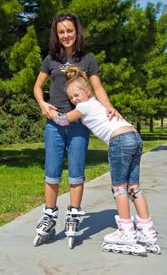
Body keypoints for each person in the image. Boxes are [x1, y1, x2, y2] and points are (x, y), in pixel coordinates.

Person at [50, 66, 159, 253]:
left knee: (119, 187)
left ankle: (126, 230)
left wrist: (50, 111)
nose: (74, 100)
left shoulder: (84, 106)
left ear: (87, 91)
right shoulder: (98, 104)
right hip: (134, 136)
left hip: (119, 140)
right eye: (71, 98)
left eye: (77, 95)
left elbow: (64, 120)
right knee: (134, 187)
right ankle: (146, 229)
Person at [33, 13, 120, 245]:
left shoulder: (88, 59)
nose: (66, 35)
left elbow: (98, 88)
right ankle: (50, 216)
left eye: (69, 30)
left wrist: (110, 107)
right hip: (54, 124)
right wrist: (43, 104)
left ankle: (73, 214)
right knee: (51, 172)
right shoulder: (51, 59)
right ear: (57, 34)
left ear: (77, 31)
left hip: (80, 125)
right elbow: (37, 87)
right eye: (61, 31)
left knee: (76, 173)